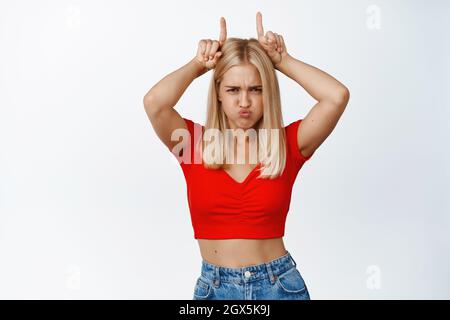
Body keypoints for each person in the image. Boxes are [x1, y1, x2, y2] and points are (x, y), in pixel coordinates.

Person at [143, 12, 349, 300]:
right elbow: (155, 104)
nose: (244, 102)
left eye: (256, 89)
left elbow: (336, 96)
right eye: (233, 90)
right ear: (218, 93)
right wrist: (198, 65)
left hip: (279, 286)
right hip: (215, 288)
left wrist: (281, 61)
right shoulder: (193, 146)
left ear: (269, 93)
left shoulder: (286, 145)